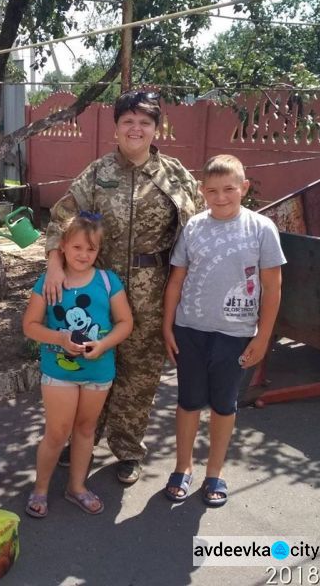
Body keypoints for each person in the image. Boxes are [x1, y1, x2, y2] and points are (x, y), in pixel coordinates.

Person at [43, 90, 204, 484]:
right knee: (89, 361)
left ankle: (128, 449)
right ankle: (85, 438)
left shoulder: (175, 175)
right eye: (128, 121)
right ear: (116, 127)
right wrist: (53, 263)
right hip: (99, 289)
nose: (136, 128)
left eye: (145, 122)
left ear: (156, 128)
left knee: (140, 374)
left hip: (154, 290)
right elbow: (61, 217)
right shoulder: (98, 174)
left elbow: (201, 228)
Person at [162, 154, 286, 507]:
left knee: (223, 404)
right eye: (213, 191)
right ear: (202, 192)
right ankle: (182, 467)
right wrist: (167, 327)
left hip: (236, 335)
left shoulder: (261, 230)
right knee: (188, 401)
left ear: (243, 188)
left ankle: (214, 472)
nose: (221, 197)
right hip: (190, 330)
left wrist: (262, 337)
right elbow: (176, 281)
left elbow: (273, 287)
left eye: (229, 189)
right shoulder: (195, 227)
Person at [23, 213, 133, 517]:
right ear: (63, 247)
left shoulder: (108, 281)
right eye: (77, 248)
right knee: (57, 433)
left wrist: (103, 345)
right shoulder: (48, 281)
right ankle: (41, 489)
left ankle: (77, 487)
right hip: (59, 372)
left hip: (99, 370)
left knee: (85, 430)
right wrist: (59, 338)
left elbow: (125, 323)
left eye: (91, 249)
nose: (84, 255)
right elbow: (30, 326)